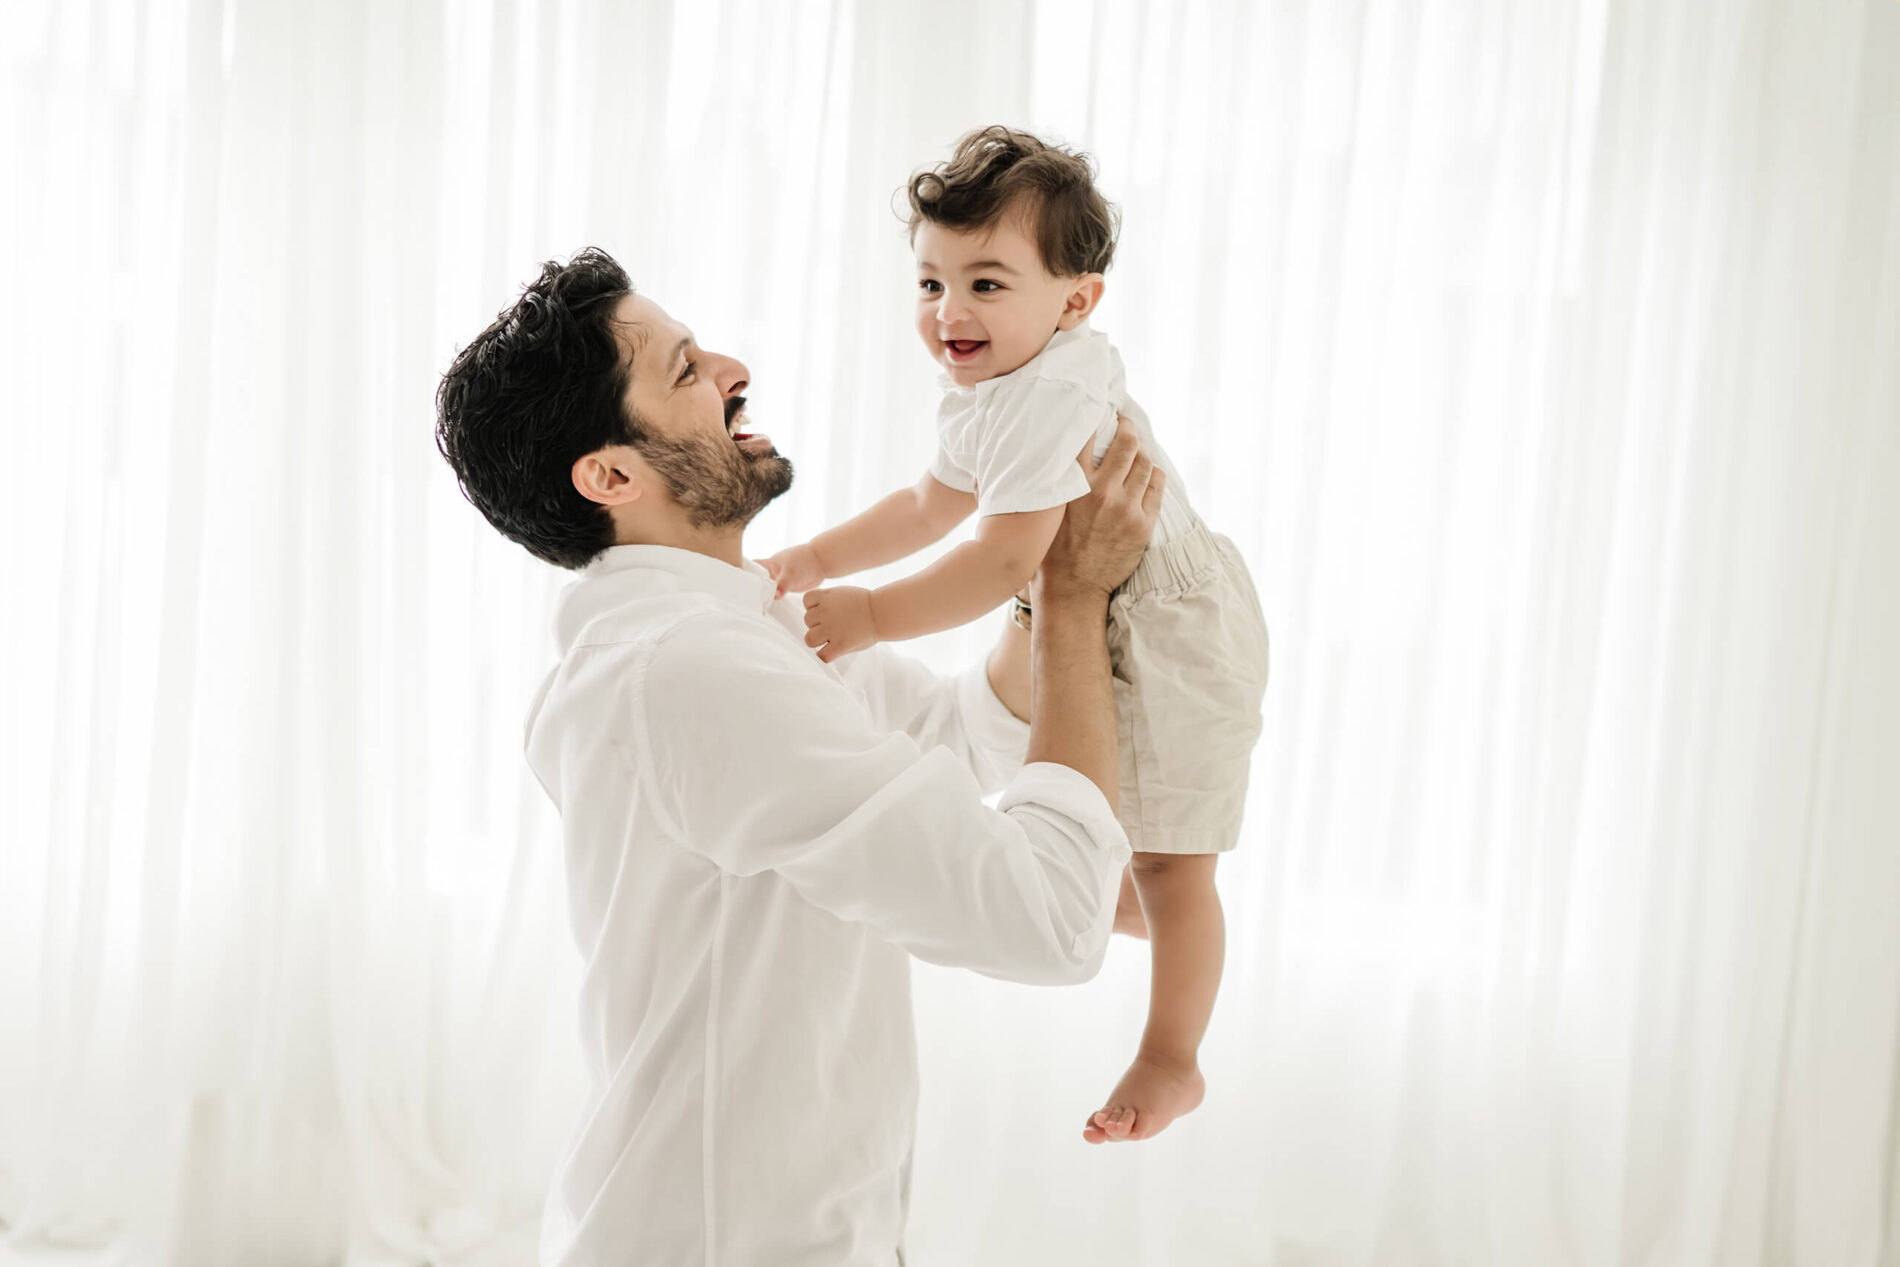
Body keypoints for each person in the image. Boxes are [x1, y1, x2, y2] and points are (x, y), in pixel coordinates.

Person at [433, 247, 1163, 1266]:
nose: (732, 368)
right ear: (611, 475)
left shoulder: (737, 635)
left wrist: (1037, 556)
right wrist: (1077, 599)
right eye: (685, 370)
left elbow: (960, 737)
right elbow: (1047, 924)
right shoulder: (687, 669)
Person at [762, 126, 1272, 1144]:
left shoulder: (1053, 392)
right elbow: (925, 504)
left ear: (1074, 300)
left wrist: (868, 614)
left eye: (987, 284)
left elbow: (1003, 564)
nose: (949, 311)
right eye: (930, 282)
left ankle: (1173, 1057)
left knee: (1177, 864)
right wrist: (818, 558)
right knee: (1110, 837)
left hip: (1179, 630)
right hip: (1118, 612)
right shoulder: (990, 390)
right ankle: (1139, 911)